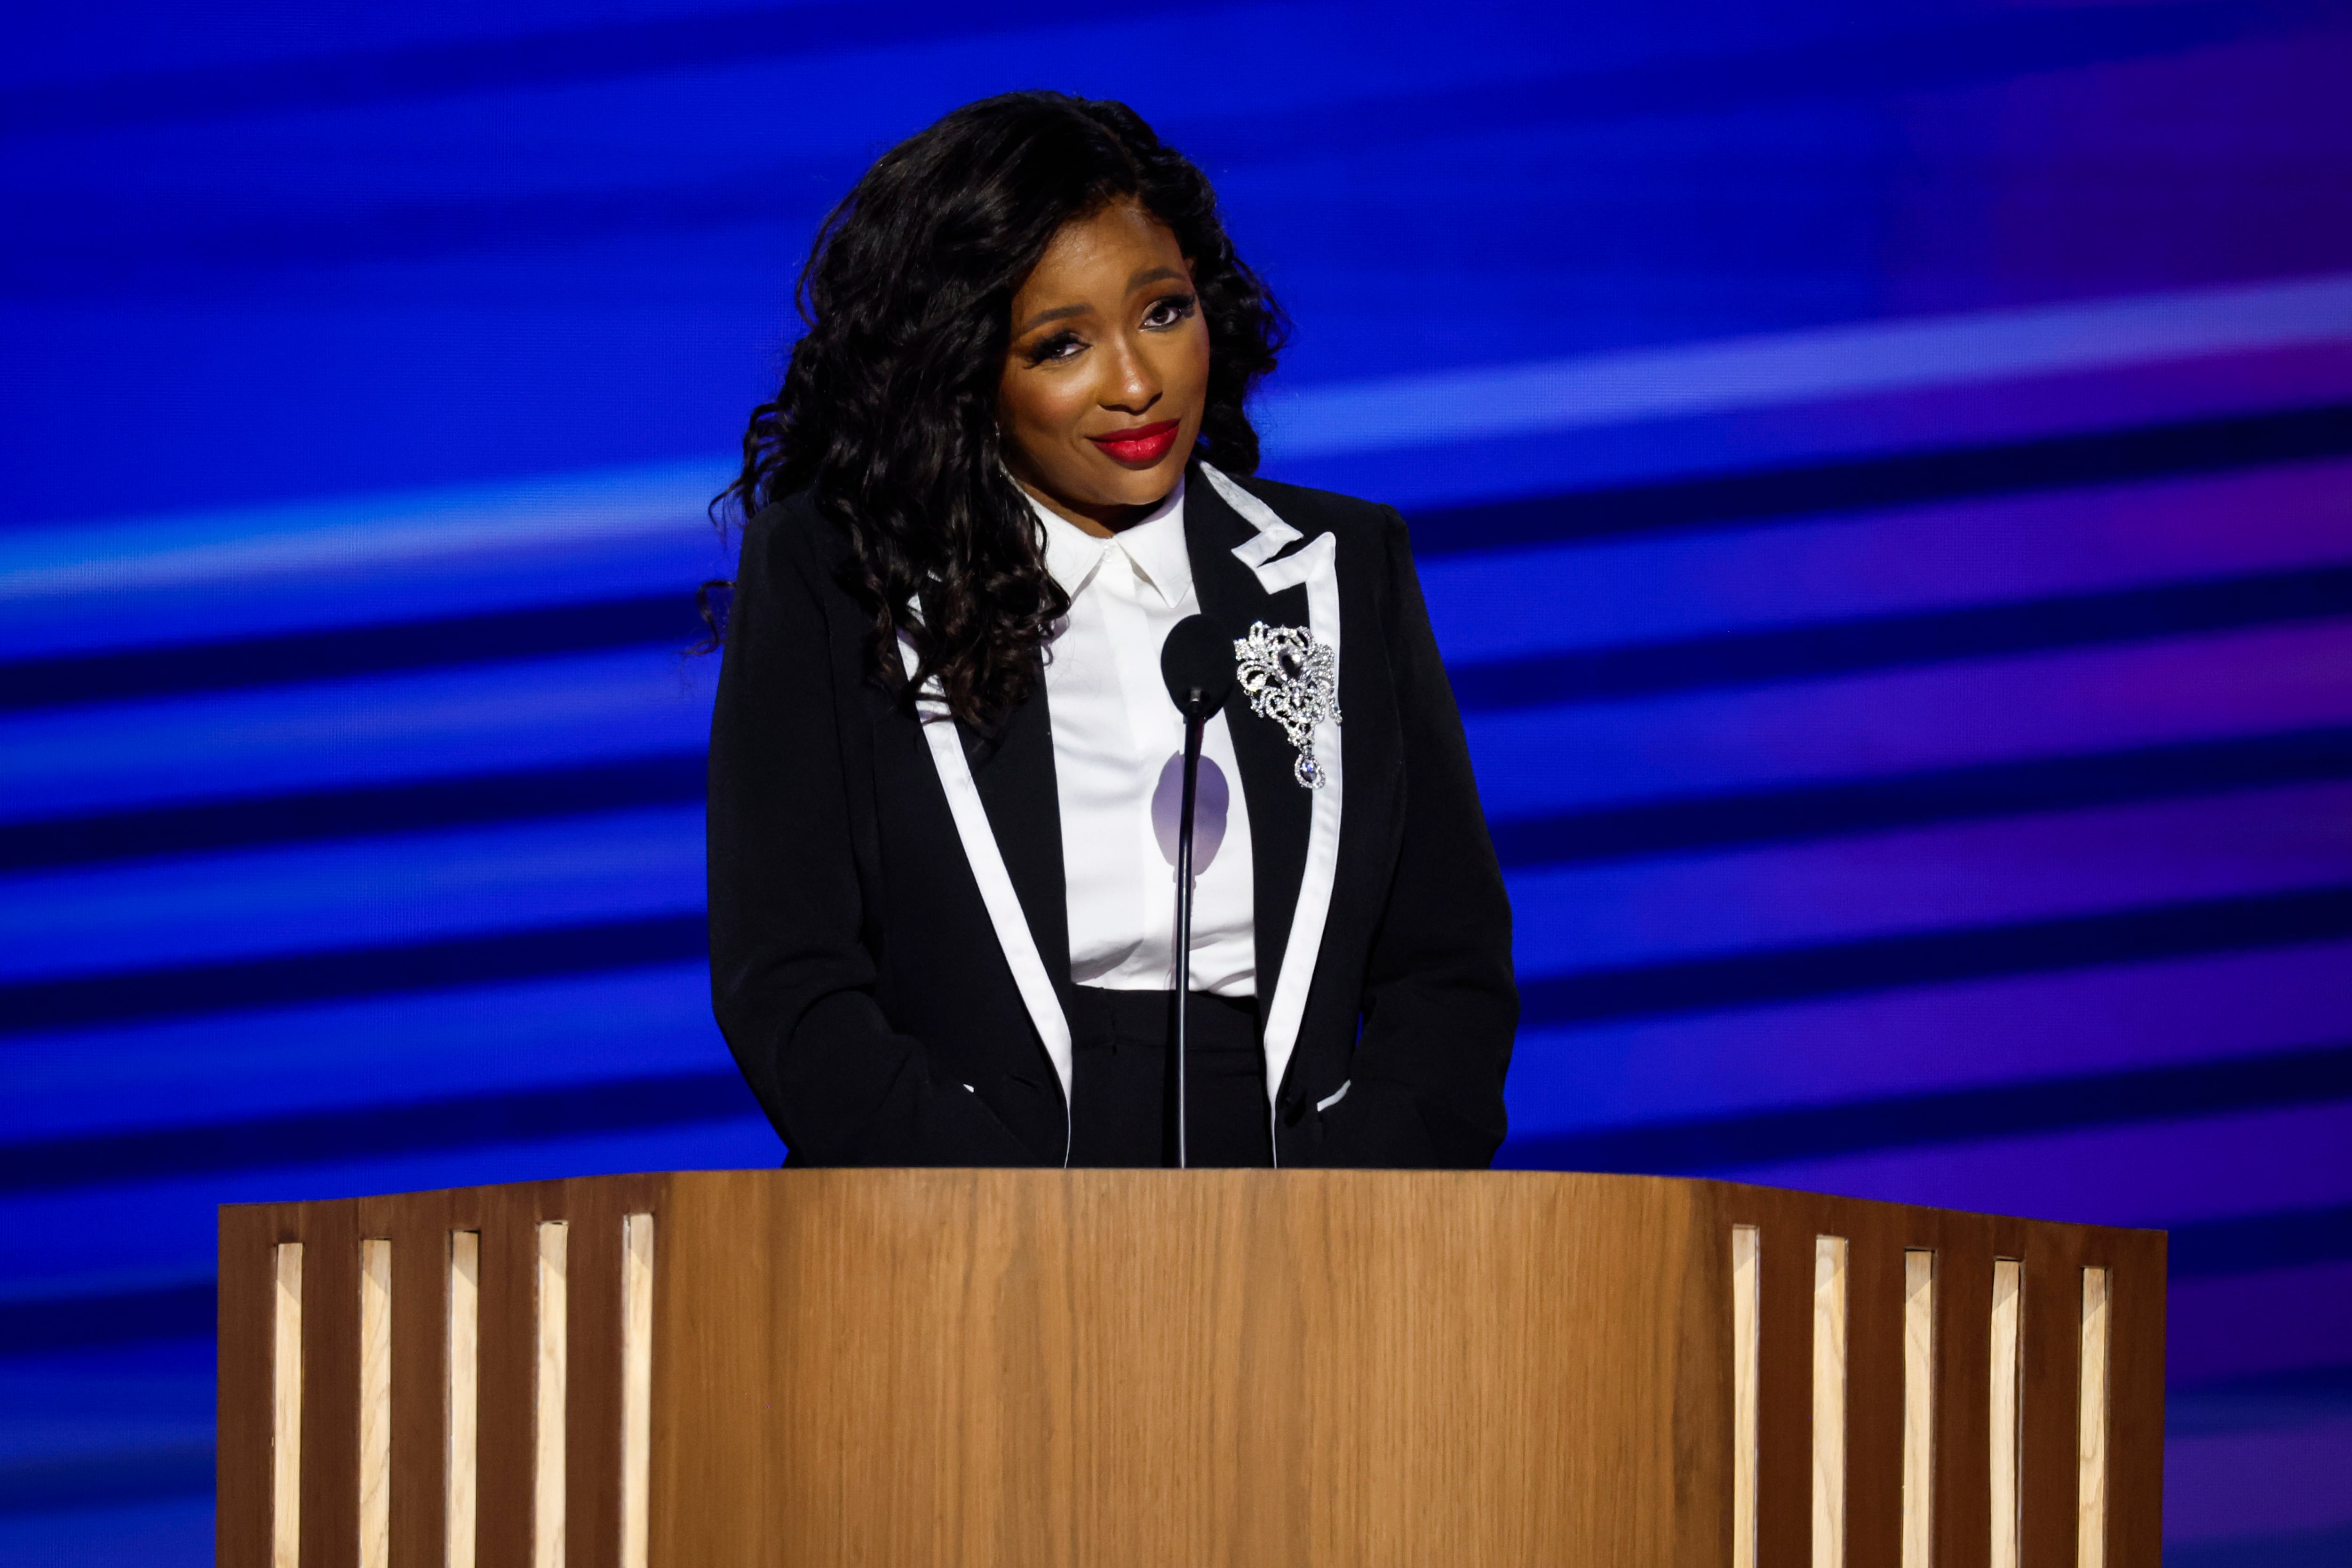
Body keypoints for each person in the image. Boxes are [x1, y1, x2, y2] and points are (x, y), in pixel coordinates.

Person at [707, 91, 1514, 1168]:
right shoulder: (840, 574)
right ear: (968, 375)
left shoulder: (1339, 566)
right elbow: (791, 981)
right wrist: (993, 1225)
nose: (1136, 383)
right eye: (1061, 344)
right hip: (955, 1208)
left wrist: (1357, 1213)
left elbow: (1447, 964)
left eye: (1163, 312)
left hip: (1309, 1214)